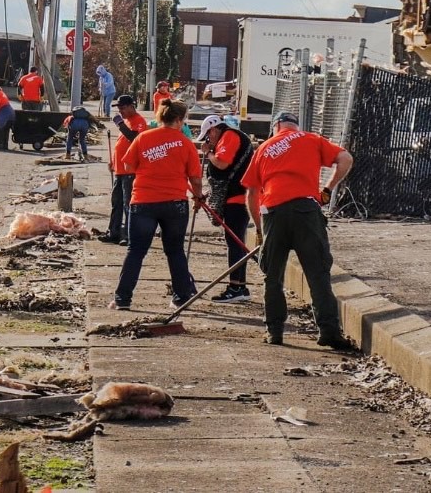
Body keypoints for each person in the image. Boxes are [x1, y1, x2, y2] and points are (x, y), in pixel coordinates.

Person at [240, 111, 354, 348]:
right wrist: (328, 188)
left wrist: (260, 231)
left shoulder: (263, 149)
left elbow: (251, 193)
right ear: (295, 126)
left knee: (273, 277)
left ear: (276, 127)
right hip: (306, 212)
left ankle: (275, 332)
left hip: (274, 213)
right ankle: (329, 331)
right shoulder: (311, 139)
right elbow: (346, 159)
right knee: (318, 274)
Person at [109, 99, 204, 310]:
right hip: (175, 204)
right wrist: (198, 196)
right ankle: (181, 297)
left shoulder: (143, 138)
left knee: (135, 251)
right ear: (179, 120)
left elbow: (127, 164)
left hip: (144, 202)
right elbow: (196, 179)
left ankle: (122, 299)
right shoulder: (185, 143)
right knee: (175, 251)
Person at [198, 114, 255, 303]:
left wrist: (208, 153)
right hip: (236, 197)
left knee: (235, 243)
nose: (208, 141)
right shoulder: (228, 137)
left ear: (214, 130)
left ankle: (235, 287)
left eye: (207, 137)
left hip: (238, 199)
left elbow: (222, 163)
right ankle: (240, 287)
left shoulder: (229, 137)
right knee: (236, 242)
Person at [100, 95, 149, 244]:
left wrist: (120, 124)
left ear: (130, 106)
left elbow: (134, 138)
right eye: (119, 109)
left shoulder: (139, 121)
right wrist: (113, 162)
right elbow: (122, 146)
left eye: (122, 108)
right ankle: (113, 232)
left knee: (129, 204)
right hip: (120, 170)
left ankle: (128, 235)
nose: (120, 111)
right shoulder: (127, 121)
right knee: (117, 203)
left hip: (130, 171)